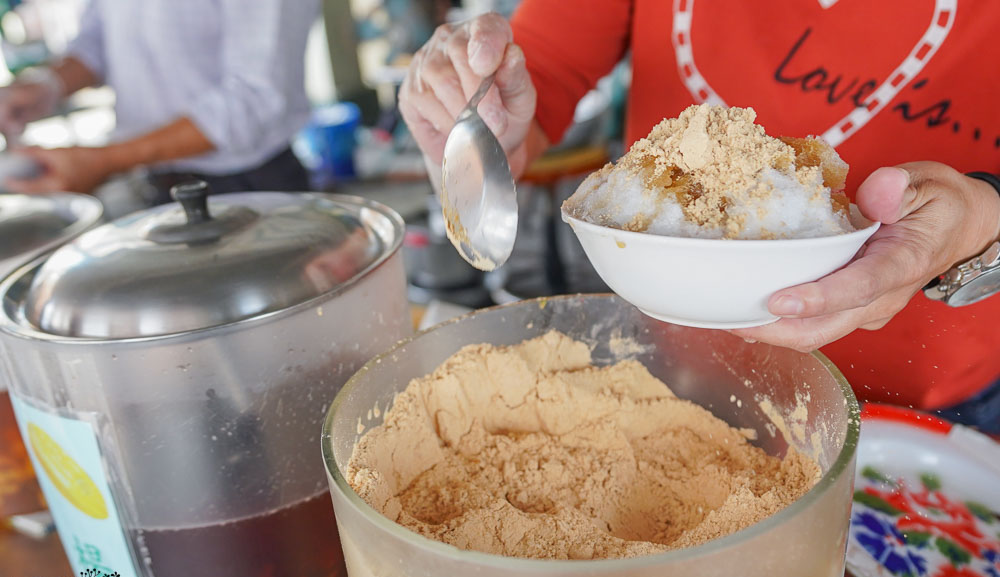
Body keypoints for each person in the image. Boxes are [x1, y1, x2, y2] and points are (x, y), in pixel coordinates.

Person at [398, 5, 1000, 428]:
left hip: (939, 403)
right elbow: (534, 79)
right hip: (684, 379)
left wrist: (982, 223)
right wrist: (469, 102)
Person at [0, 0, 319, 203]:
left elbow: (254, 97)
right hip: (154, 184)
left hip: (250, 186)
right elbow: (97, 38)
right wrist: (45, 86)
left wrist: (103, 161)